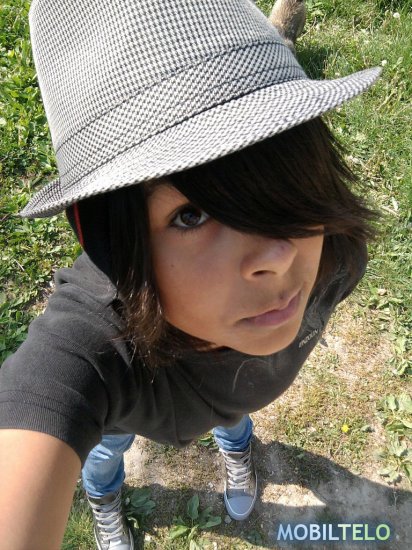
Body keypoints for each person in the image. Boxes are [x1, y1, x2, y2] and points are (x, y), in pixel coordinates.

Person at [0, 0, 381, 549]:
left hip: (229, 398)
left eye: (287, 180)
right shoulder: (94, 347)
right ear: (111, 240)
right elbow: (40, 400)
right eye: (192, 214)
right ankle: (104, 494)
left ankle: (235, 443)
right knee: (106, 453)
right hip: (127, 420)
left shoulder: (335, 253)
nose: (277, 252)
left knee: (234, 410)